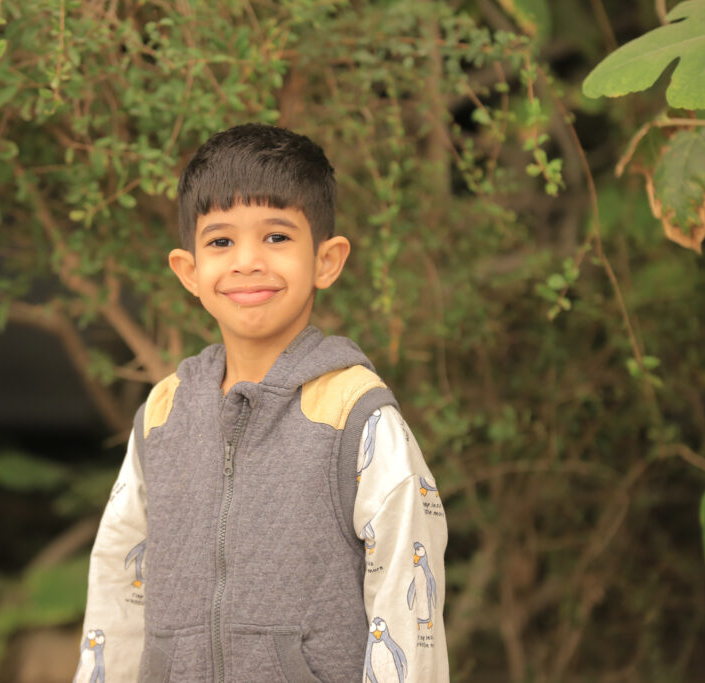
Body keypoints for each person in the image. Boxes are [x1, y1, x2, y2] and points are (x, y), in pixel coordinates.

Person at [74, 124, 448, 683]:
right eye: (221, 242)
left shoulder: (354, 415)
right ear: (189, 271)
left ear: (326, 260)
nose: (247, 261)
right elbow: (117, 587)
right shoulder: (164, 415)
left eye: (276, 237)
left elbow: (406, 600)